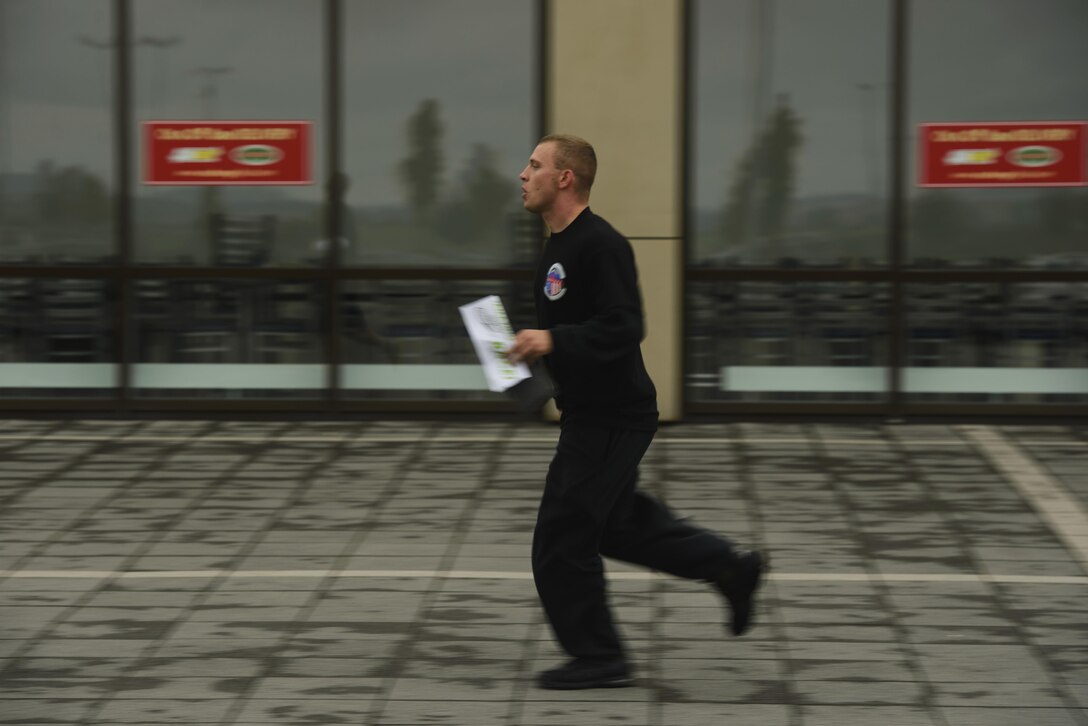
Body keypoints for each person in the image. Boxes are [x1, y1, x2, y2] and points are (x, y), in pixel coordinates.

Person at [506, 134, 768, 690]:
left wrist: (551, 340)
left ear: (565, 178)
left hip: (612, 415)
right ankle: (729, 568)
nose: (523, 175)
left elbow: (624, 325)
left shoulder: (600, 244)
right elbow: (576, 330)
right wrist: (529, 354)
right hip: (590, 411)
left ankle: (600, 657)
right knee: (617, 526)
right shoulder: (557, 248)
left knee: (562, 536)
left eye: (534, 165)